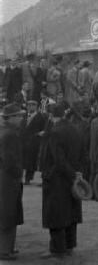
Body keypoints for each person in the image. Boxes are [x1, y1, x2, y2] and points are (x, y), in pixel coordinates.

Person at [41, 103, 83, 258]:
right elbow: (82, 154)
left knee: (57, 214)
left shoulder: (55, 132)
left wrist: (70, 174)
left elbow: (59, 160)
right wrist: (77, 174)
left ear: (51, 116)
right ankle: (70, 245)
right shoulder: (75, 129)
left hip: (58, 178)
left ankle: (57, 249)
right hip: (73, 178)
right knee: (71, 213)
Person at [0, 103, 25, 261]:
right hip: (9, 178)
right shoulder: (10, 135)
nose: (21, 118)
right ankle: (4, 250)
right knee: (8, 213)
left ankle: (7, 247)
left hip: (4, 176)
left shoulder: (4, 132)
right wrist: (18, 174)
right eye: (18, 116)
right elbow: (10, 160)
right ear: (10, 118)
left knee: (6, 212)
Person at [21, 100, 46, 185]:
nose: (30, 107)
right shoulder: (24, 116)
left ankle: (28, 178)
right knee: (23, 159)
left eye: (33, 105)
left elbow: (43, 129)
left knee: (31, 160)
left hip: (34, 142)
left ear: (36, 107)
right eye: (29, 105)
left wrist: (39, 134)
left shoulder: (40, 117)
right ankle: (22, 176)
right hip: (24, 141)